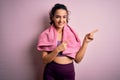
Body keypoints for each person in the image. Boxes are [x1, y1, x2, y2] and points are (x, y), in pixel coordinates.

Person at [37, 3, 98, 80]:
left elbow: (77, 60)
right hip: (50, 73)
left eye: (64, 17)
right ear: (52, 17)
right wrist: (57, 49)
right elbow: (45, 60)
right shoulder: (46, 34)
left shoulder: (72, 35)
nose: (61, 20)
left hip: (68, 73)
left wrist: (85, 42)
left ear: (67, 18)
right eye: (58, 17)